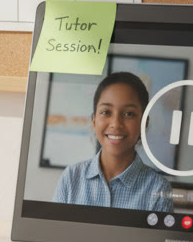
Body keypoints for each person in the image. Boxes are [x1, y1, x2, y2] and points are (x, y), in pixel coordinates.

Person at [52, 71, 173, 212]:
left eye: (128, 113)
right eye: (106, 112)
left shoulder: (158, 189)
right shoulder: (71, 178)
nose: (116, 124)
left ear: (144, 123)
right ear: (94, 120)